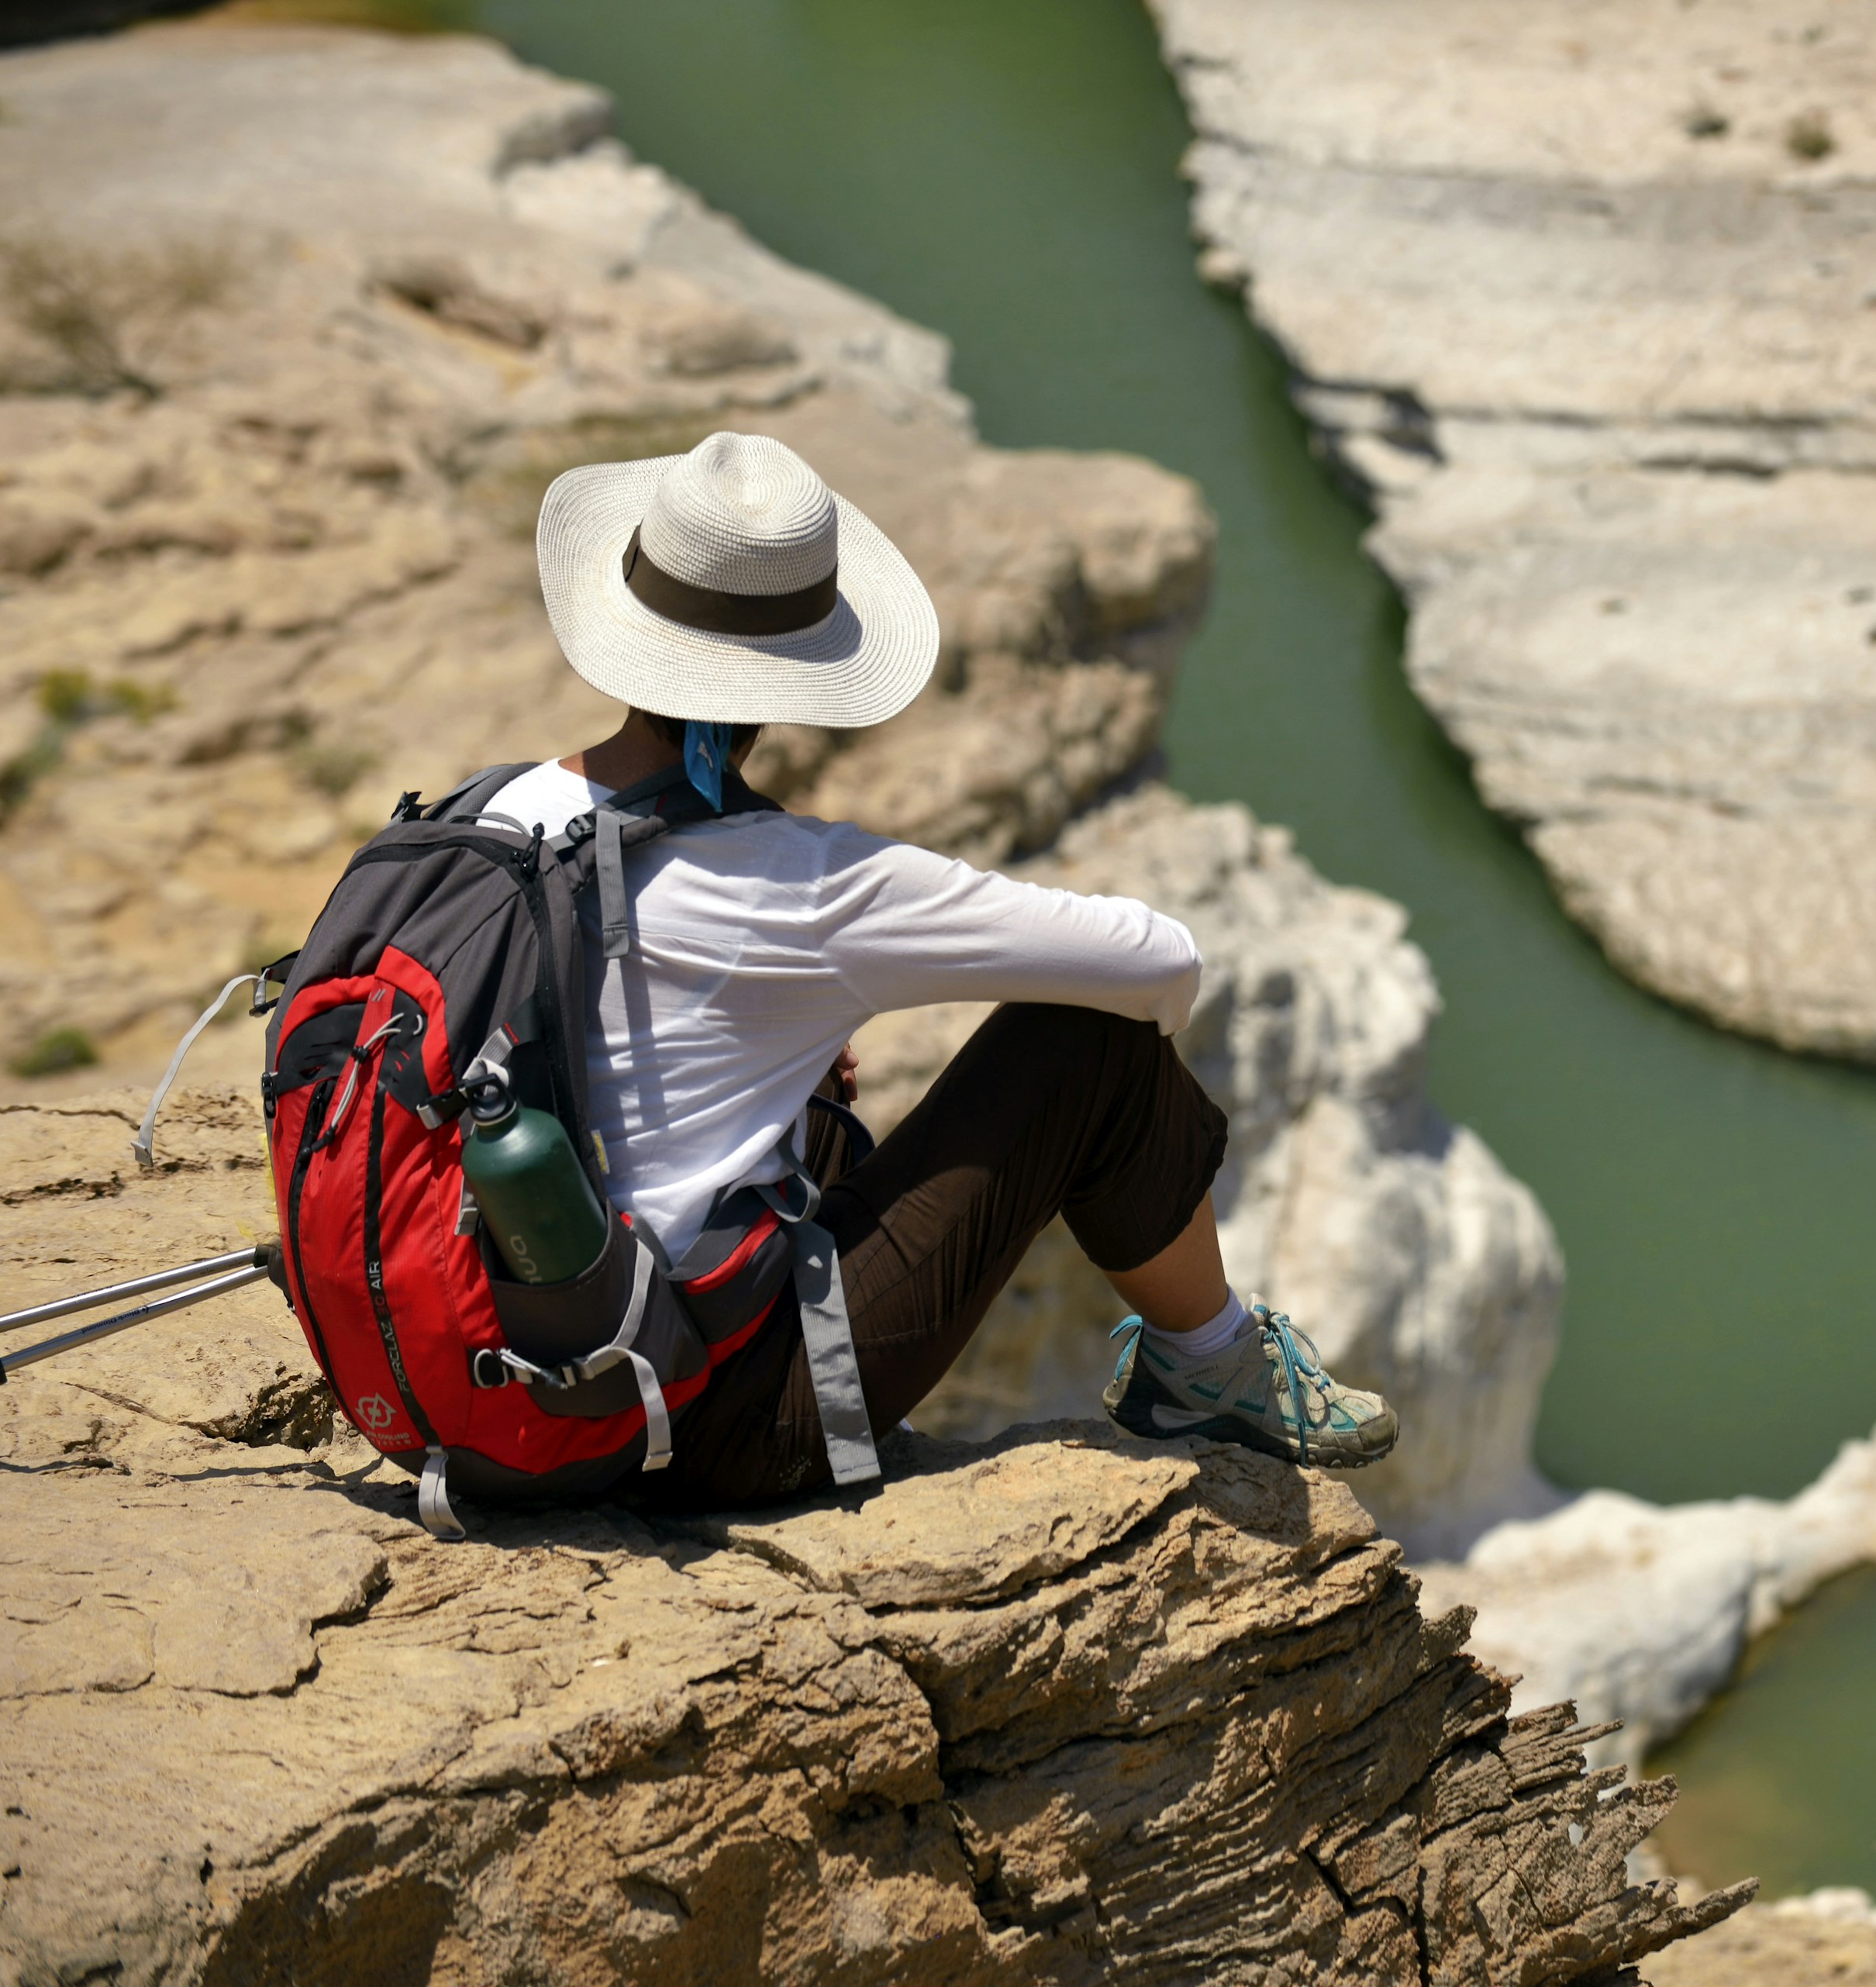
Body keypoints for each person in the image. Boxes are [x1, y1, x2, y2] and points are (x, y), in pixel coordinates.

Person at [489, 428, 1395, 1507]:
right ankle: (1209, 1363)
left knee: (805, 1098)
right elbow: (1160, 968)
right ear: (800, 672)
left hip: (481, 1377)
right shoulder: (803, 882)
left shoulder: (489, 813)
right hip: (692, 1427)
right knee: (1087, 1042)